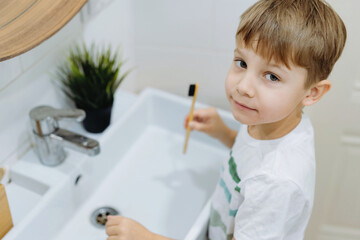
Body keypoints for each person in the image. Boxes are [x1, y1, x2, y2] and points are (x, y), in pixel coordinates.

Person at [105, 0, 347, 239]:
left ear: (312, 93)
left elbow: (261, 177)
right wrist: (223, 132)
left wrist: (147, 238)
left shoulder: (276, 184)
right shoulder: (274, 121)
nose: (243, 87)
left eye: (272, 76)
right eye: (241, 63)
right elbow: (250, 158)